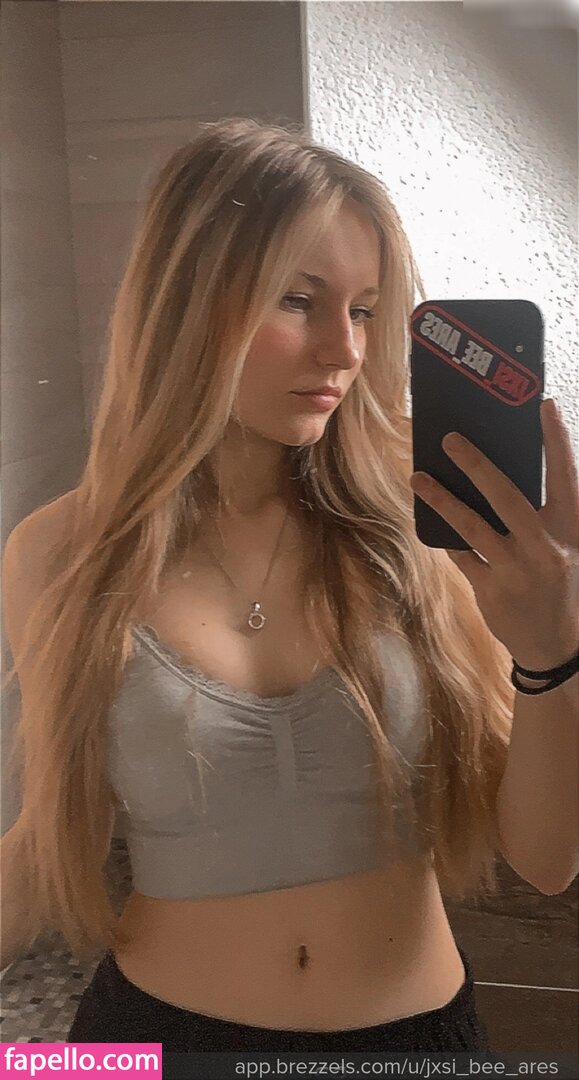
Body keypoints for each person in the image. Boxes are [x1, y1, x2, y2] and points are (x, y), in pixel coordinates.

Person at [2, 117, 574, 1054]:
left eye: (363, 311)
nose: (344, 351)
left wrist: (551, 655)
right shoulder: (60, 552)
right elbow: (43, 843)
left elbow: (547, 862)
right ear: (186, 302)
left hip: (413, 1044)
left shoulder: (423, 530)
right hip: (152, 1041)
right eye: (298, 301)